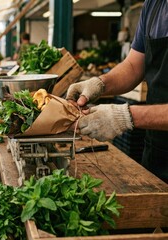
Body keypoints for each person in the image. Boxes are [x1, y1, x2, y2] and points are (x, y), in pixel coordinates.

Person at [66, 0, 168, 183]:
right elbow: (133, 66)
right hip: (158, 150)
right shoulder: (153, 4)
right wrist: (100, 83)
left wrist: (124, 116)